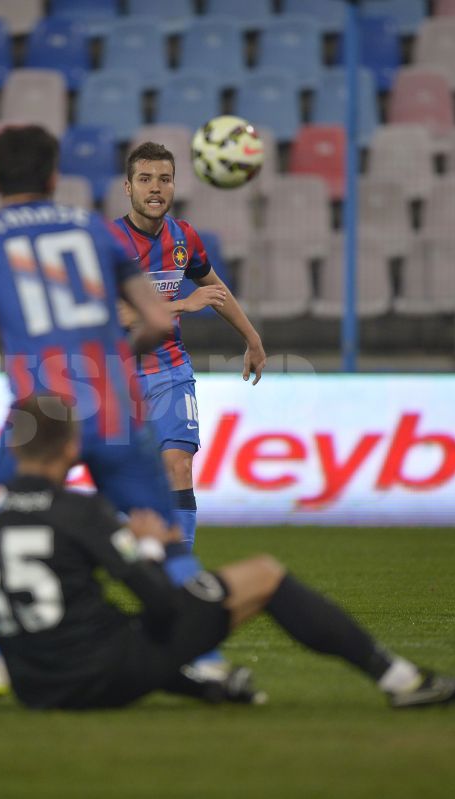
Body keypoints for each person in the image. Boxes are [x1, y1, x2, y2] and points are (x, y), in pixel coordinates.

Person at [0, 394, 455, 713]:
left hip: (36, 687)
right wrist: (151, 549)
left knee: (129, 635)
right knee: (264, 575)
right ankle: (400, 681)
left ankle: (211, 687)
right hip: (105, 675)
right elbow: (159, 607)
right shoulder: (84, 512)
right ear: (73, 449)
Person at [0, 125, 220, 701]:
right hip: (114, 407)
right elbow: (155, 320)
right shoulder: (96, 230)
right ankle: (207, 658)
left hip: (39, 417)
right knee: (167, 538)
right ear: (54, 178)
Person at [113, 141, 266, 550]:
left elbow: (214, 289)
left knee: (179, 467)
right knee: (119, 486)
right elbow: (108, 315)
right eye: (145, 179)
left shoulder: (184, 237)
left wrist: (251, 337)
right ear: (128, 187)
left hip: (170, 371)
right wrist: (180, 303)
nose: (155, 188)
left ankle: (181, 571)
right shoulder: (109, 242)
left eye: (164, 179)